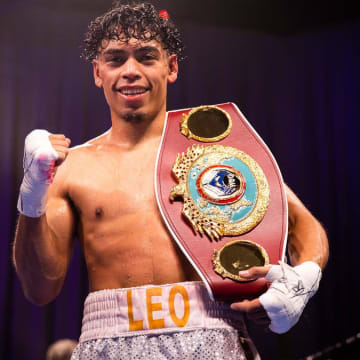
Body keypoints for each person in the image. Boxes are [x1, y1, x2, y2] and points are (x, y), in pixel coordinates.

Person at [13, 3, 329, 359]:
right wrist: (32, 193)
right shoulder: (71, 167)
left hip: (212, 332)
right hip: (108, 340)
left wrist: (302, 281)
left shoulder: (214, 151)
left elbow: (303, 226)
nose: (130, 71)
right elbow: (39, 289)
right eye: (116, 59)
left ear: (171, 66)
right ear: (98, 72)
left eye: (146, 57)